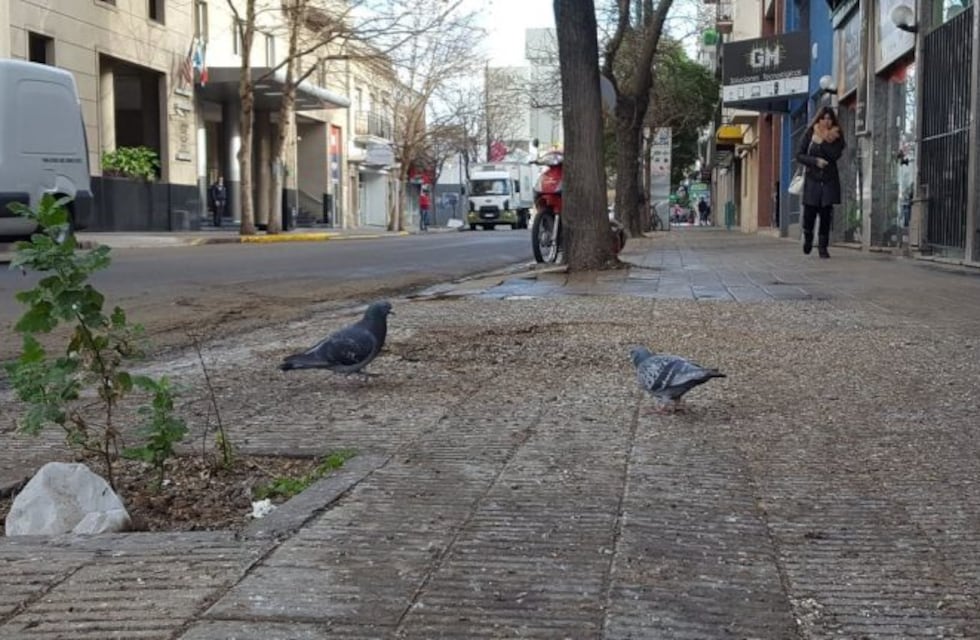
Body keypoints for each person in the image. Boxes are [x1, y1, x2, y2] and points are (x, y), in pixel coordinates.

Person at [796, 105, 845, 258]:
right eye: (823, 118)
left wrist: (821, 142)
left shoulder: (837, 136)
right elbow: (799, 155)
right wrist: (815, 161)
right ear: (819, 118)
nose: (826, 121)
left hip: (829, 180)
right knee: (809, 215)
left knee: (825, 215)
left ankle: (823, 247)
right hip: (813, 180)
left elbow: (834, 155)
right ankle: (808, 238)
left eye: (829, 118)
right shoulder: (810, 132)